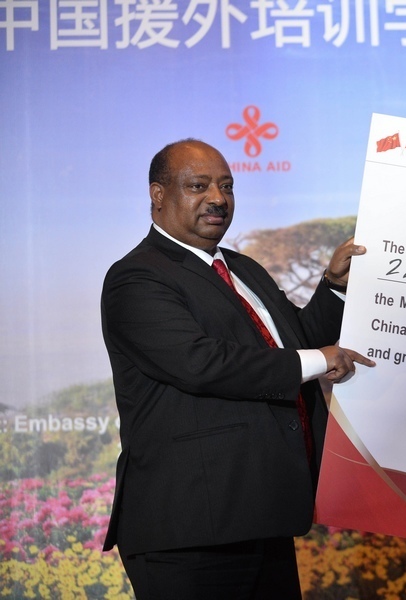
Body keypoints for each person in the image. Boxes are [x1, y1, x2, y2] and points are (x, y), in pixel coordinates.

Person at [100, 138, 374, 599]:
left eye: (226, 186)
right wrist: (319, 359)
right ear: (158, 194)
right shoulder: (137, 276)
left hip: (262, 515)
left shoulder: (244, 269)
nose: (218, 198)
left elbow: (294, 344)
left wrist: (334, 286)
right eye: (199, 186)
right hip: (190, 529)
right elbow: (200, 363)